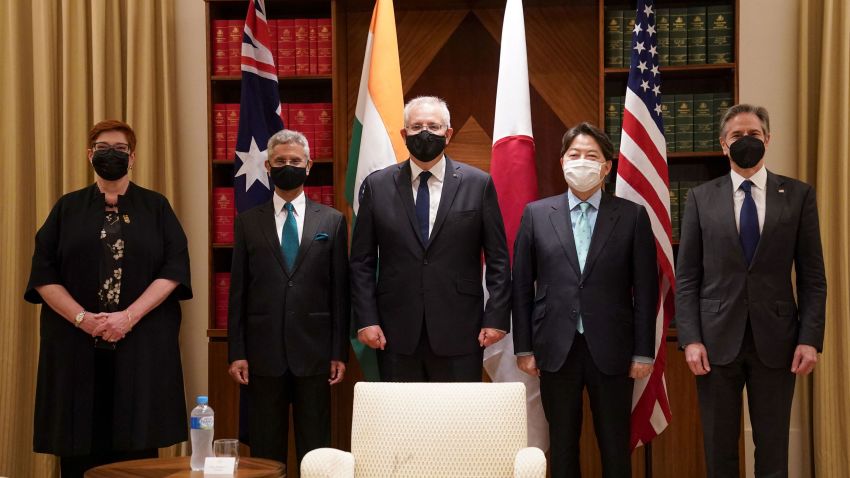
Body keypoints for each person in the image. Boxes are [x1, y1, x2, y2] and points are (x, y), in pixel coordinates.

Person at [24, 120, 192, 478]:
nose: (110, 155)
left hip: (141, 347)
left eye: (119, 149)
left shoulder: (156, 207)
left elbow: (174, 270)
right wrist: (84, 320)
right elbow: (43, 274)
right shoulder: (67, 208)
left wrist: (127, 317)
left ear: (131, 158)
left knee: (138, 454)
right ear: (90, 155)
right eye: (103, 148)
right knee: (79, 448)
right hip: (75, 347)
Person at [676, 104, 826, 477]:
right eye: (737, 136)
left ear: (768, 140)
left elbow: (812, 277)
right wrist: (691, 338)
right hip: (714, 343)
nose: (747, 141)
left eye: (754, 135)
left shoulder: (798, 195)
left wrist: (810, 339)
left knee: (773, 449)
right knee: (719, 448)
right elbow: (688, 277)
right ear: (724, 145)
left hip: (777, 342)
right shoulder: (699, 197)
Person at [512, 122, 658, 478]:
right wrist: (524, 348)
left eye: (592, 156)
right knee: (561, 446)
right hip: (555, 349)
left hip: (613, 349)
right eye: (575, 155)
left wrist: (643, 352)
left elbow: (646, 288)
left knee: (614, 445)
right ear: (562, 162)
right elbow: (521, 288)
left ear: (607, 166)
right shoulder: (536, 214)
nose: (582, 161)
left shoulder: (631, 216)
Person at [350, 95, 511, 382]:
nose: (425, 133)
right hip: (394, 331)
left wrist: (496, 318)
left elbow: (498, 259)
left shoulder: (478, 184)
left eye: (434, 126)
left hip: (461, 329)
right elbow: (361, 262)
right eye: (416, 126)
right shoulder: (377, 185)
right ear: (404, 134)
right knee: (403, 422)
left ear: (448, 134)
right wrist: (366, 319)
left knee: (456, 422)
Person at [227, 129, 349, 468]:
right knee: (266, 449)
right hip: (263, 355)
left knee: (316, 448)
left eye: (295, 161)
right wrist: (237, 352)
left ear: (309, 166)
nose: (287, 166)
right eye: (280, 161)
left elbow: (341, 292)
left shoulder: (333, 221)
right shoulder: (248, 223)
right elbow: (239, 293)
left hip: (316, 353)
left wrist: (338, 351)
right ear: (267, 166)